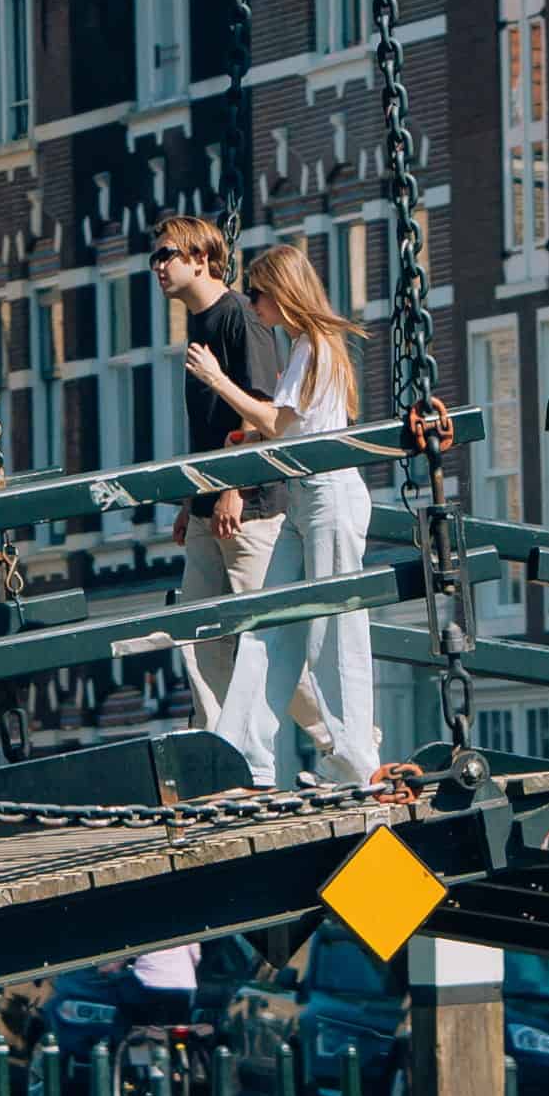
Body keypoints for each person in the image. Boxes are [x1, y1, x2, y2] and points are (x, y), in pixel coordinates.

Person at [238, 237, 383, 792]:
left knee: (333, 627)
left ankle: (354, 759)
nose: (253, 305)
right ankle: (247, 754)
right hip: (305, 497)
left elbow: (279, 423)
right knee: (267, 621)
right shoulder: (307, 348)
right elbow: (291, 426)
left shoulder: (314, 345)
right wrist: (254, 428)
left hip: (327, 496)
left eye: (258, 294)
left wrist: (220, 382)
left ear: (281, 292)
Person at [154, 211, 288, 783]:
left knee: (267, 639)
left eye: (167, 255)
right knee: (200, 636)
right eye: (155, 256)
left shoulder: (239, 320)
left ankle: (350, 750)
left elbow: (262, 412)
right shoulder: (198, 323)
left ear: (202, 259)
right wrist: (192, 500)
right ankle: (221, 770)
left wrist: (235, 484)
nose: (157, 266)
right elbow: (208, 425)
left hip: (250, 508)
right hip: (210, 506)